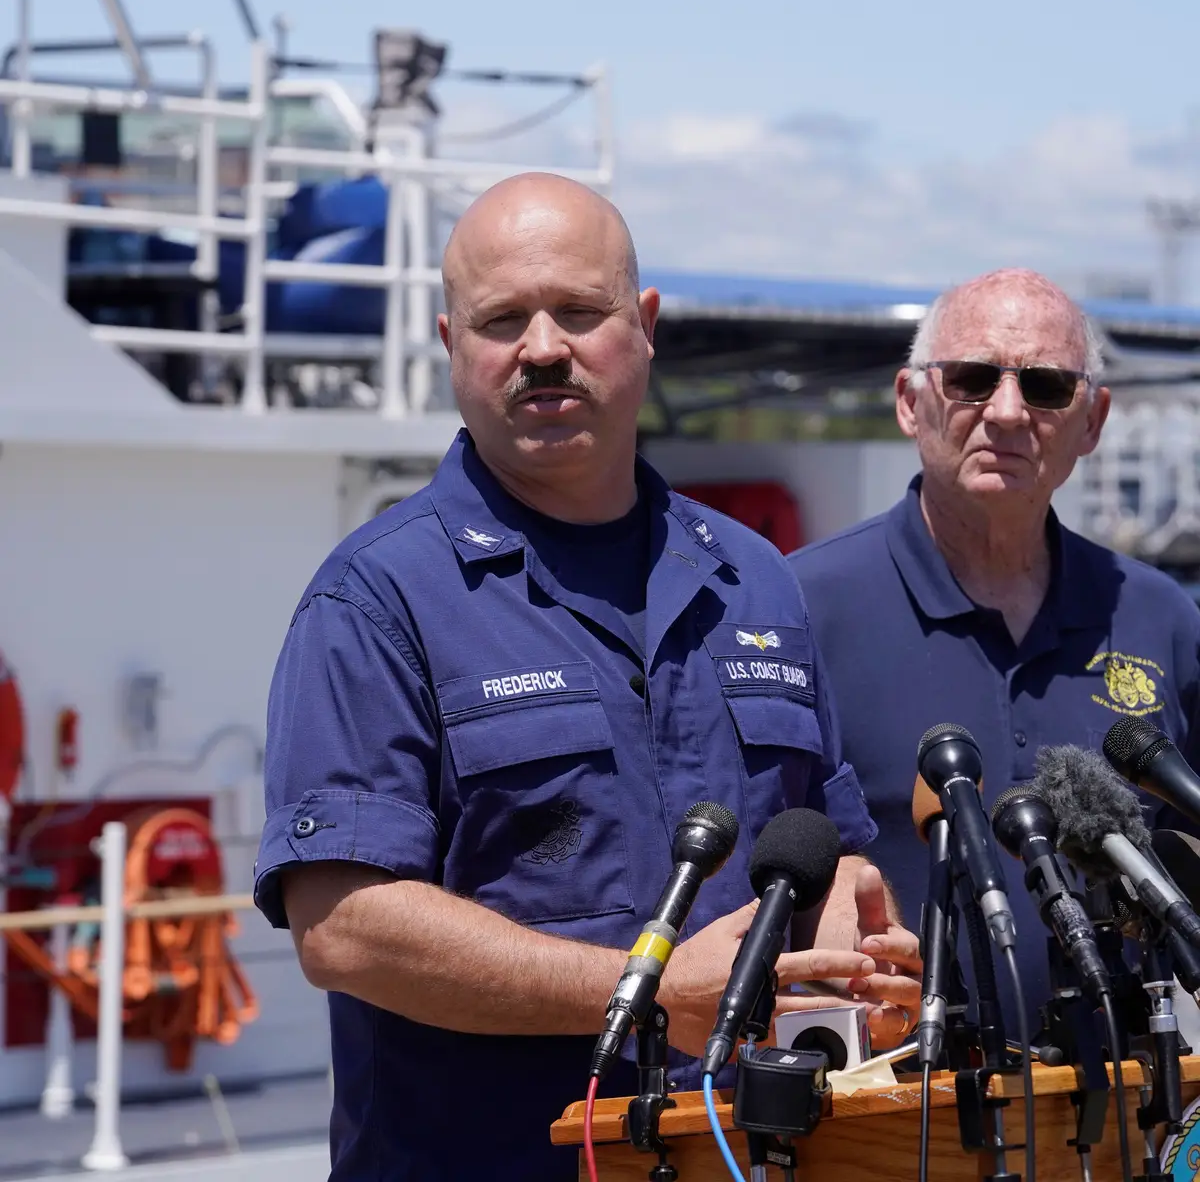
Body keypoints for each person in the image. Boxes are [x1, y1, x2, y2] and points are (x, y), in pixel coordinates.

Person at [251, 172, 921, 1181]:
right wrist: (648, 989)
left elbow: (825, 859)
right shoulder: (377, 601)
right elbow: (344, 928)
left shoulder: (755, 583)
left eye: (578, 311)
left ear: (644, 328)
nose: (543, 347)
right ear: (450, 348)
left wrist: (855, 935)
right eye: (502, 318)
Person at [788, 267, 1200, 1034]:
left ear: (1093, 421)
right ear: (911, 402)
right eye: (973, 378)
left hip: (1136, 1112)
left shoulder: (1160, 616)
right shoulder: (799, 609)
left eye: (1045, 386)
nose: (1008, 412)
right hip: (898, 1118)